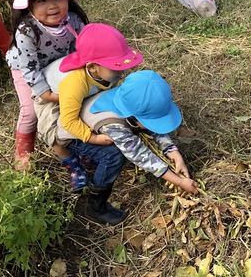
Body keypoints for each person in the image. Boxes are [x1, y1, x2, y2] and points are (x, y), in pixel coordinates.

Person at [63, 69, 199, 225]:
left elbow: (154, 129)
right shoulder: (114, 126)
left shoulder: (131, 98)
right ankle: (95, 207)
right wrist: (180, 182)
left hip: (98, 127)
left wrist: (174, 153)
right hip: (73, 136)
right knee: (113, 156)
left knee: (126, 141)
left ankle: (89, 160)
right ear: (133, 118)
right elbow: (142, 157)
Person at [35, 23, 144, 192]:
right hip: (52, 97)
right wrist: (93, 138)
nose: (121, 70)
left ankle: (84, 154)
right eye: (116, 66)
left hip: (82, 93)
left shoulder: (103, 72)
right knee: (55, 134)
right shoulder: (75, 83)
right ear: (92, 67)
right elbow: (69, 121)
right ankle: (73, 165)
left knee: (86, 112)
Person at [6, 0, 89, 172]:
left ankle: (81, 145)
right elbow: (30, 70)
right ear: (29, 5)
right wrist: (46, 95)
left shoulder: (73, 20)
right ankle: (23, 151)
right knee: (30, 111)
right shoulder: (26, 31)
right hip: (26, 68)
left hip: (59, 64)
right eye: (42, 0)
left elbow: (84, 49)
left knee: (78, 102)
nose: (52, 6)